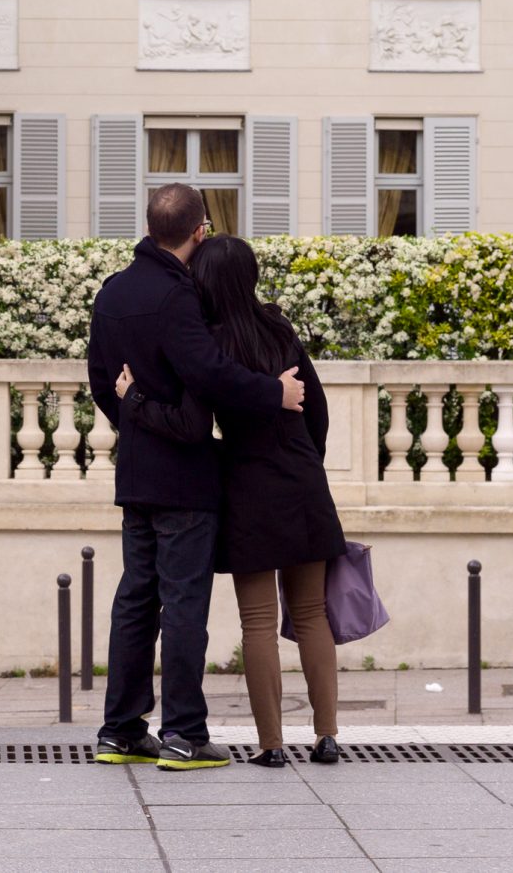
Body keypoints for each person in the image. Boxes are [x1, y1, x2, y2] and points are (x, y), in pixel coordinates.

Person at [86, 184, 306, 772]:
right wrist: (275, 393)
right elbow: (208, 372)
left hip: (137, 470)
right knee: (183, 602)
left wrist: (138, 421)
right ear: (200, 231)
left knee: (136, 598)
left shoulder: (112, 293)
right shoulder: (178, 295)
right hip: (184, 474)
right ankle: (183, 733)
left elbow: (104, 384)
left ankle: (121, 732)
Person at [116, 234, 346, 768]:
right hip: (302, 478)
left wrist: (136, 402)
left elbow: (195, 422)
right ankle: (328, 736)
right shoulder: (279, 327)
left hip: (246, 485)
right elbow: (318, 410)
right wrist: (303, 458)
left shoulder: (210, 343)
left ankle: (271, 745)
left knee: (259, 621)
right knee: (312, 614)